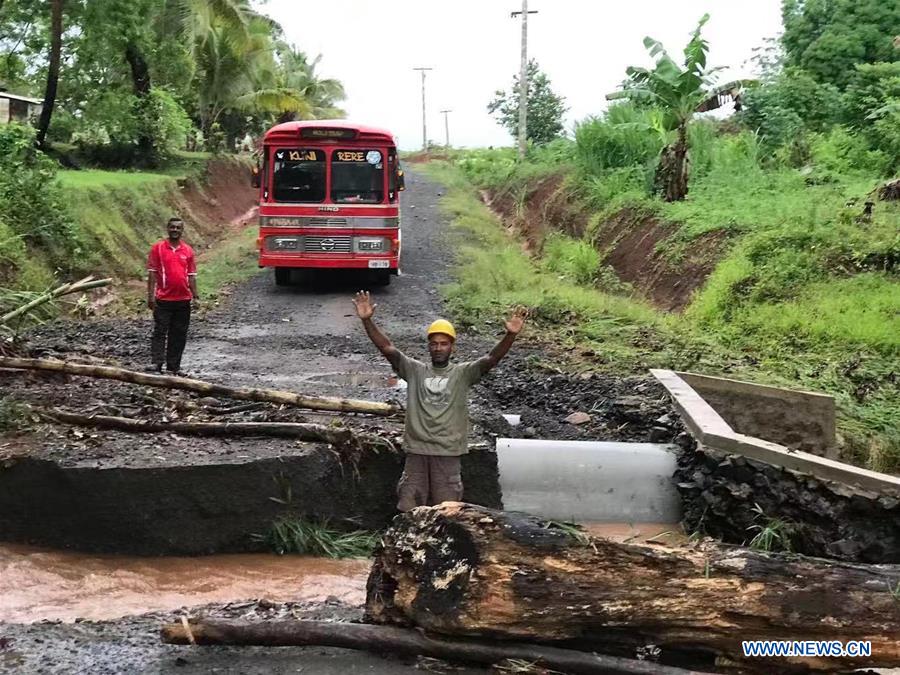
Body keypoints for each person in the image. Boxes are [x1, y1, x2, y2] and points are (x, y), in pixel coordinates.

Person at [352, 290, 527, 511]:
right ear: (429, 346)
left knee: (448, 510)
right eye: (434, 343)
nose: (438, 348)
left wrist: (510, 335)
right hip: (417, 451)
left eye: (444, 344)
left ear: (452, 347)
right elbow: (387, 348)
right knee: (408, 505)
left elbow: (491, 358)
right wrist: (367, 320)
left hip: (447, 452)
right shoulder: (415, 370)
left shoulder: (463, 373)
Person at [146, 217, 199, 375]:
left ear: (182, 231)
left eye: (178, 228)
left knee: (179, 334)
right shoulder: (158, 248)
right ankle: (157, 363)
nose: (175, 230)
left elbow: (191, 276)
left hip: (183, 300)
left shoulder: (188, 250)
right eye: (172, 227)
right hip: (163, 300)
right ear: (167, 229)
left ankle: (173, 367)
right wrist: (150, 296)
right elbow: (152, 274)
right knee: (160, 331)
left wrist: (196, 297)